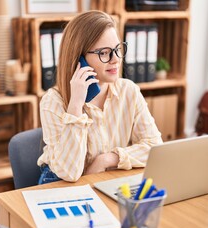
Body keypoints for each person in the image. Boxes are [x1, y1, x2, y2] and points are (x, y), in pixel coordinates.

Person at [37, 10, 162, 184]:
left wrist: (107, 159)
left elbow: (155, 147)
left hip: (106, 176)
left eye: (118, 49)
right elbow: (69, 173)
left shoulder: (129, 91)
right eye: (104, 53)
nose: (116, 59)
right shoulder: (53, 101)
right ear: (79, 59)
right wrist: (76, 106)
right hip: (59, 182)